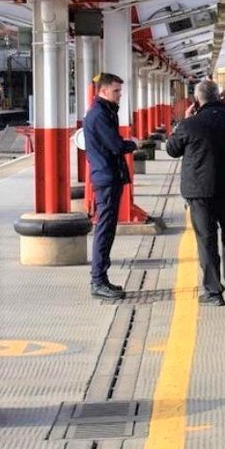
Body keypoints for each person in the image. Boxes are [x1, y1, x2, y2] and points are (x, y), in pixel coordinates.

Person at [166, 79, 225, 306]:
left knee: (206, 241)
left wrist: (183, 121)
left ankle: (214, 293)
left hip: (200, 193)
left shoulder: (189, 125)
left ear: (197, 100)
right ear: (220, 97)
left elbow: (172, 150)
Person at [83, 72, 139, 300]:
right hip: (106, 179)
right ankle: (97, 281)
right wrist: (132, 143)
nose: (120, 95)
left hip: (108, 177)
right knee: (104, 230)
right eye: (116, 91)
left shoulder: (104, 112)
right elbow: (115, 145)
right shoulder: (99, 115)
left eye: (120, 91)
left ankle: (102, 279)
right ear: (104, 91)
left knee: (108, 229)